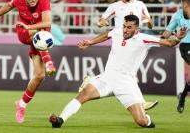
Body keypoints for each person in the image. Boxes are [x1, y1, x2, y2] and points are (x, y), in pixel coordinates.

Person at [49, 14, 188, 128]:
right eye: (124, 26)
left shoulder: (143, 38)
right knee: (84, 94)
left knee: (141, 122)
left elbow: (169, 43)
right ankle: (60, 120)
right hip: (107, 78)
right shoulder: (117, 32)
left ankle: (148, 121)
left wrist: (178, 37)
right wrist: (90, 42)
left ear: (137, 29)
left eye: (129, 27)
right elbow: (106, 35)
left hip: (126, 83)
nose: (125, 30)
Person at [0, 0, 56, 123]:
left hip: (40, 38)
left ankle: (21, 104)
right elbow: (6, 7)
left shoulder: (44, 0)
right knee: (42, 33)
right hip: (24, 32)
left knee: (39, 76)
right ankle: (49, 62)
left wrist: (31, 28)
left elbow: (48, 23)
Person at [84, 0, 157, 111]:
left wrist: (149, 21)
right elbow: (101, 20)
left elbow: (150, 22)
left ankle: (91, 80)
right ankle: (141, 102)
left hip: (135, 43)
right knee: (129, 72)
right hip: (120, 43)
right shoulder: (115, 7)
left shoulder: (140, 5)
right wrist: (101, 23)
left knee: (129, 72)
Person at [162, 0, 190, 113]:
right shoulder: (178, 15)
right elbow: (166, 34)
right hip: (185, 46)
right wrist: (173, 35)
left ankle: (182, 96)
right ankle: (182, 96)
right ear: (184, 4)